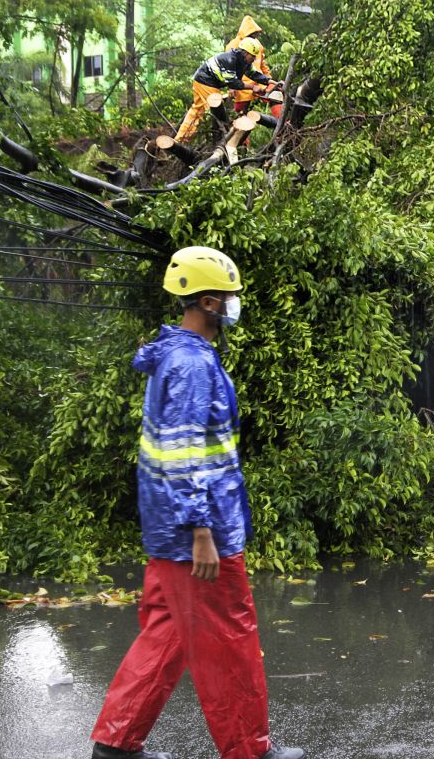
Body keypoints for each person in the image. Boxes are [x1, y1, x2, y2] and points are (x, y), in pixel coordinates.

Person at [89, 247, 303, 759]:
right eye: (229, 297)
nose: (234, 305)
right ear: (209, 301)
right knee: (230, 640)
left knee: (167, 632)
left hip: (171, 528)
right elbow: (185, 453)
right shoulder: (191, 365)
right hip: (197, 532)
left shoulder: (180, 355)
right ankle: (249, 752)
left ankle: (116, 745)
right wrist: (201, 530)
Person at [173, 39, 277, 143]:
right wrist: (252, 87)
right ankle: (219, 138)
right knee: (217, 110)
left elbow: (254, 74)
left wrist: (270, 82)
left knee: (197, 110)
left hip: (209, 82)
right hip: (205, 81)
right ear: (245, 52)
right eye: (252, 56)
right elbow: (233, 83)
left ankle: (181, 140)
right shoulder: (230, 60)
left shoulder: (244, 62)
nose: (254, 59)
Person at [224, 16, 274, 117]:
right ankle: (239, 130)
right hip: (242, 86)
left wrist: (269, 80)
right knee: (240, 112)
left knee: (275, 96)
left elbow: (262, 64)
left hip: (259, 82)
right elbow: (228, 69)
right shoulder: (233, 45)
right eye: (253, 35)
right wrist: (231, 87)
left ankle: (283, 126)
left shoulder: (257, 45)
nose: (255, 38)